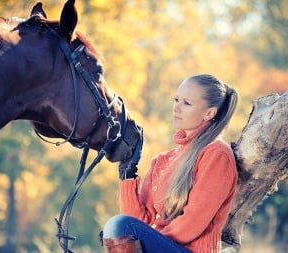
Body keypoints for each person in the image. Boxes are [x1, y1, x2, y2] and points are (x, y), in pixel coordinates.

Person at [101, 74, 239, 253]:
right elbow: (138, 220)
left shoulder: (216, 154)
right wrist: (127, 172)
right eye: (176, 100)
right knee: (118, 227)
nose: (176, 108)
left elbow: (193, 223)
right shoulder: (162, 161)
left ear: (210, 113)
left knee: (117, 225)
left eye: (186, 103)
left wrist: (142, 240)